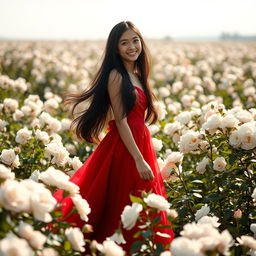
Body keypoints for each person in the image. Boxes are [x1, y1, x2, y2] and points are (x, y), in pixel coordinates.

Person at [53, 21, 174, 253]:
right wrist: (139, 159)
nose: (132, 47)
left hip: (140, 141)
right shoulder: (116, 76)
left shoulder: (137, 74)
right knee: (124, 200)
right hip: (125, 146)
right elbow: (121, 121)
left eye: (135, 40)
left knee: (141, 199)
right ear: (115, 48)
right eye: (124, 43)